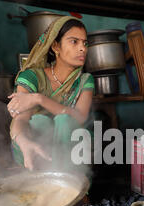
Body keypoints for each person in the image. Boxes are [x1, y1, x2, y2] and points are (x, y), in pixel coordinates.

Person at [7, 16, 94, 171]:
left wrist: (39, 99)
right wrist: (23, 140)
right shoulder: (32, 77)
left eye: (85, 43)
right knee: (40, 121)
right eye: (74, 41)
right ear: (56, 46)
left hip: (70, 151)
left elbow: (80, 117)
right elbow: (20, 119)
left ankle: (70, 184)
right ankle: (40, 179)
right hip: (36, 145)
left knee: (64, 121)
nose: (82, 48)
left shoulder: (85, 80)